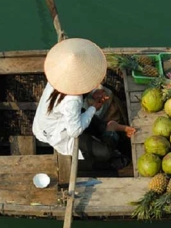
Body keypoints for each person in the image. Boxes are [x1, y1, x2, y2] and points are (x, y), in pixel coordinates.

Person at [32, 38, 135, 170]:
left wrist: (93, 93)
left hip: (53, 121)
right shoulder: (73, 100)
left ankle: (109, 128)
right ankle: (112, 128)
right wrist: (93, 108)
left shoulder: (58, 76)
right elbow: (74, 131)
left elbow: (75, 90)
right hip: (58, 132)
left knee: (93, 124)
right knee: (105, 153)